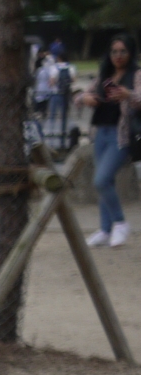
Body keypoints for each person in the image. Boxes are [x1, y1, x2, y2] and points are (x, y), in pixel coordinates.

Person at [78, 34, 135, 248]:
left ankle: (120, 222)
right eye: (114, 51)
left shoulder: (136, 75)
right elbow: (79, 96)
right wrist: (85, 98)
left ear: (130, 53)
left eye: (123, 51)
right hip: (100, 133)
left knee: (101, 180)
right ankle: (105, 229)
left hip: (121, 135)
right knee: (105, 182)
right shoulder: (104, 76)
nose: (118, 56)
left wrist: (128, 95)